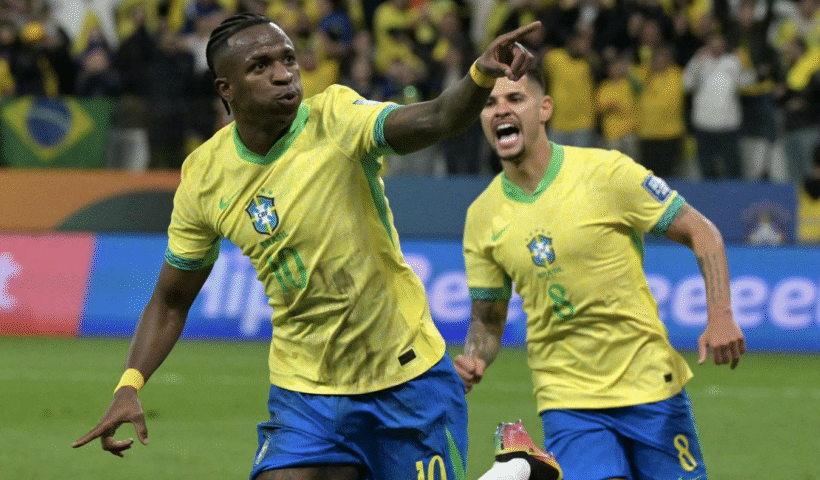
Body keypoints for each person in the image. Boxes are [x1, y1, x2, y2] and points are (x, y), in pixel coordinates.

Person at [71, 12, 540, 480]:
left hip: (406, 379)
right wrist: (129, 384)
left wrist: (480, 74)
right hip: (306, 392)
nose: (283, 74)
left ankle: (516, 470)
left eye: (288, 59)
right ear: (226, 89)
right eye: (260, 66)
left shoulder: (336, 117)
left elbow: (437, 118)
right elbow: (171, 300)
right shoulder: (204, 176)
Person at [454, 69, 746, 480]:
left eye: (515, 99)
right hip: (566, 397)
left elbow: (702, 231)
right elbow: (487, 318)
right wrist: (473, 357)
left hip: (649, 383)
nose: (500, 109)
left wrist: (720, 314)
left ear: (544, 109)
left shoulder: (607, 172)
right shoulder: (482, 216)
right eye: (489, 103)